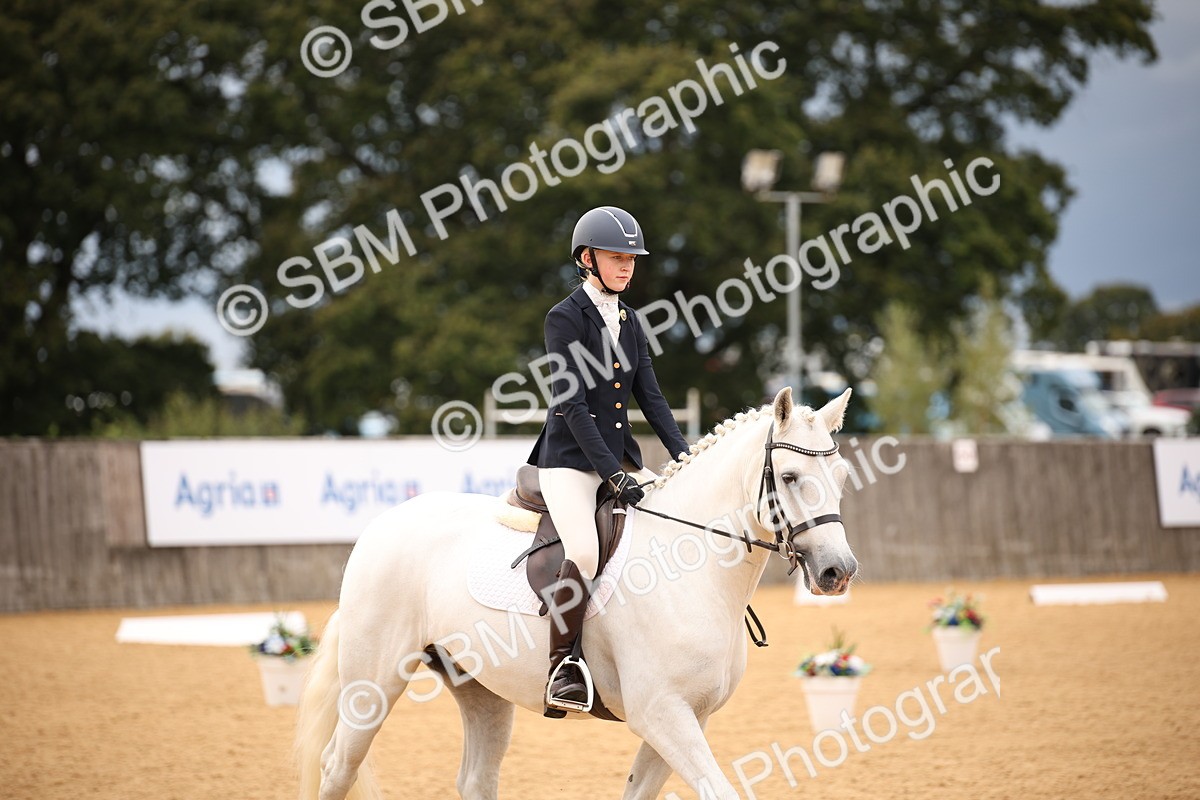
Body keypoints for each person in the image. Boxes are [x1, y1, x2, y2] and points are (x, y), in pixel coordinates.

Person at [526, 205, 691, 716]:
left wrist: (686, 457)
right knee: (587, 551)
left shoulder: (630, 319)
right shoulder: (563, 318)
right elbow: (571, 405)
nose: (626, 266)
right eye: (616, 257)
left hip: (620, 460)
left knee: (672, 526)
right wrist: (613, 472)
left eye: (632, 258)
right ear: (586, 259)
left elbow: (653, 398)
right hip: (570, 462)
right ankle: (563, 667)